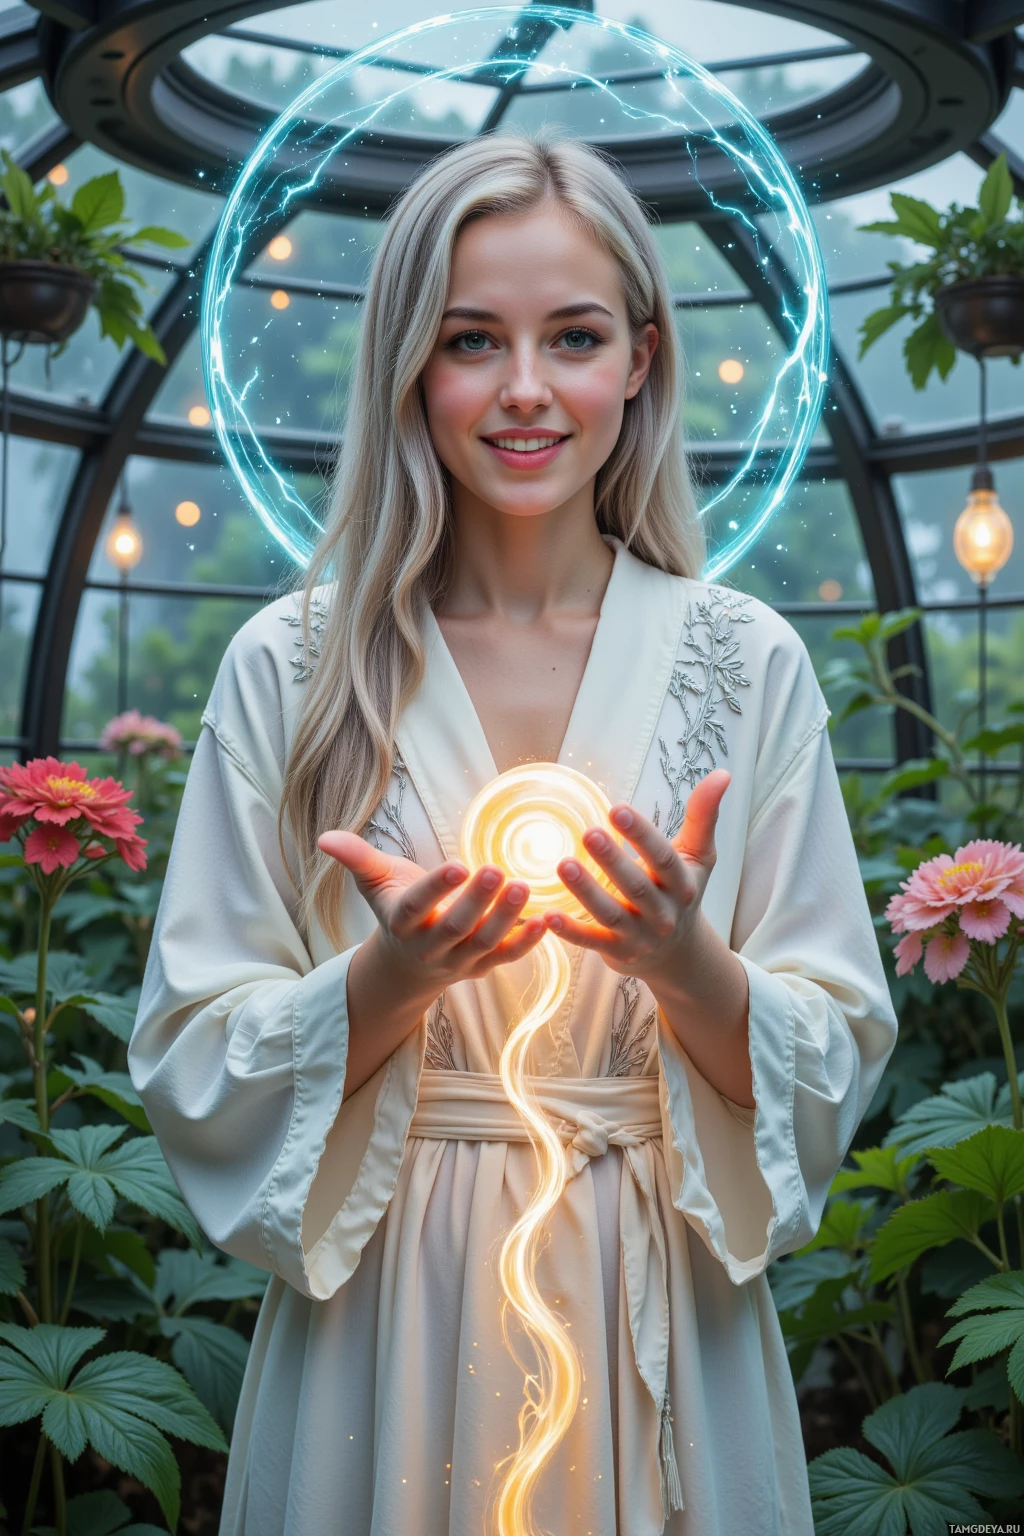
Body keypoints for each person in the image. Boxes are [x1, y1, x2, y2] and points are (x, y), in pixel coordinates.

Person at [128, 128, 899, 1536]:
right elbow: (190, 1050)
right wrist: (389, 977)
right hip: (387, 1323)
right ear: (408, 363)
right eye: (472, 339)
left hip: (660, 1301)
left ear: (643, 359)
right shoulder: (293, 669)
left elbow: (835, 1049)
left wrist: (683, 960)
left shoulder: (747, 662)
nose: (526, 388)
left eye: (575, 337)